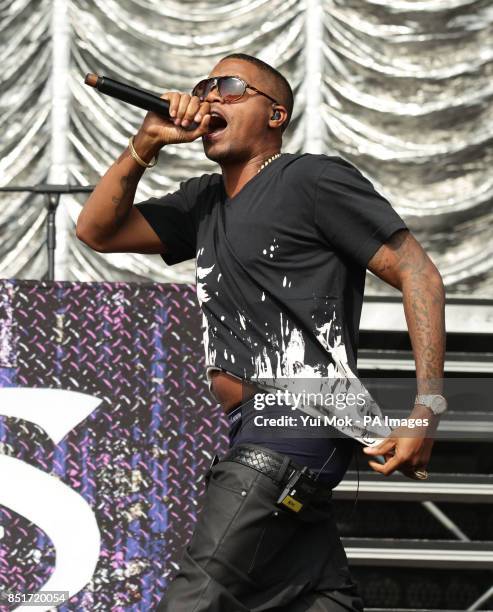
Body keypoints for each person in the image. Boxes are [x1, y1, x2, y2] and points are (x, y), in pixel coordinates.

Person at [76, 53, 446, 611]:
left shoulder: (312, 179)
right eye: (205, 87)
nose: (211, 97)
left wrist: (427, 408)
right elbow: (97, 231)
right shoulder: (202, 201)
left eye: (230, 87)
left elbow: (418, 271)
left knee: (196, 598)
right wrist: (146, 143)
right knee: (318, 600)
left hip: (291, 425)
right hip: (255, 428)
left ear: (275, 115)